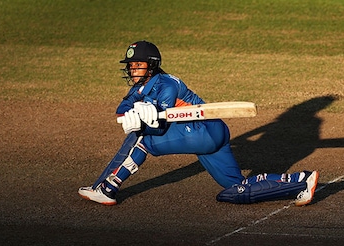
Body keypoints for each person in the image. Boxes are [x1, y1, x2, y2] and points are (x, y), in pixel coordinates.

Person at [78, 40, 319, 206]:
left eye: (138, 65)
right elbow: (121, 111)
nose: (133, 70)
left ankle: (107, 188)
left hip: (200, 130)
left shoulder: (167, 84)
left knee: (142, 140)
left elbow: (160, 122)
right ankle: (300, 182)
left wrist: (145, 114)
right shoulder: (138, 89)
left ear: (151, 65)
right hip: (212, 134)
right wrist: (133, 112)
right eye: (131, 66)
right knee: (235, 190)